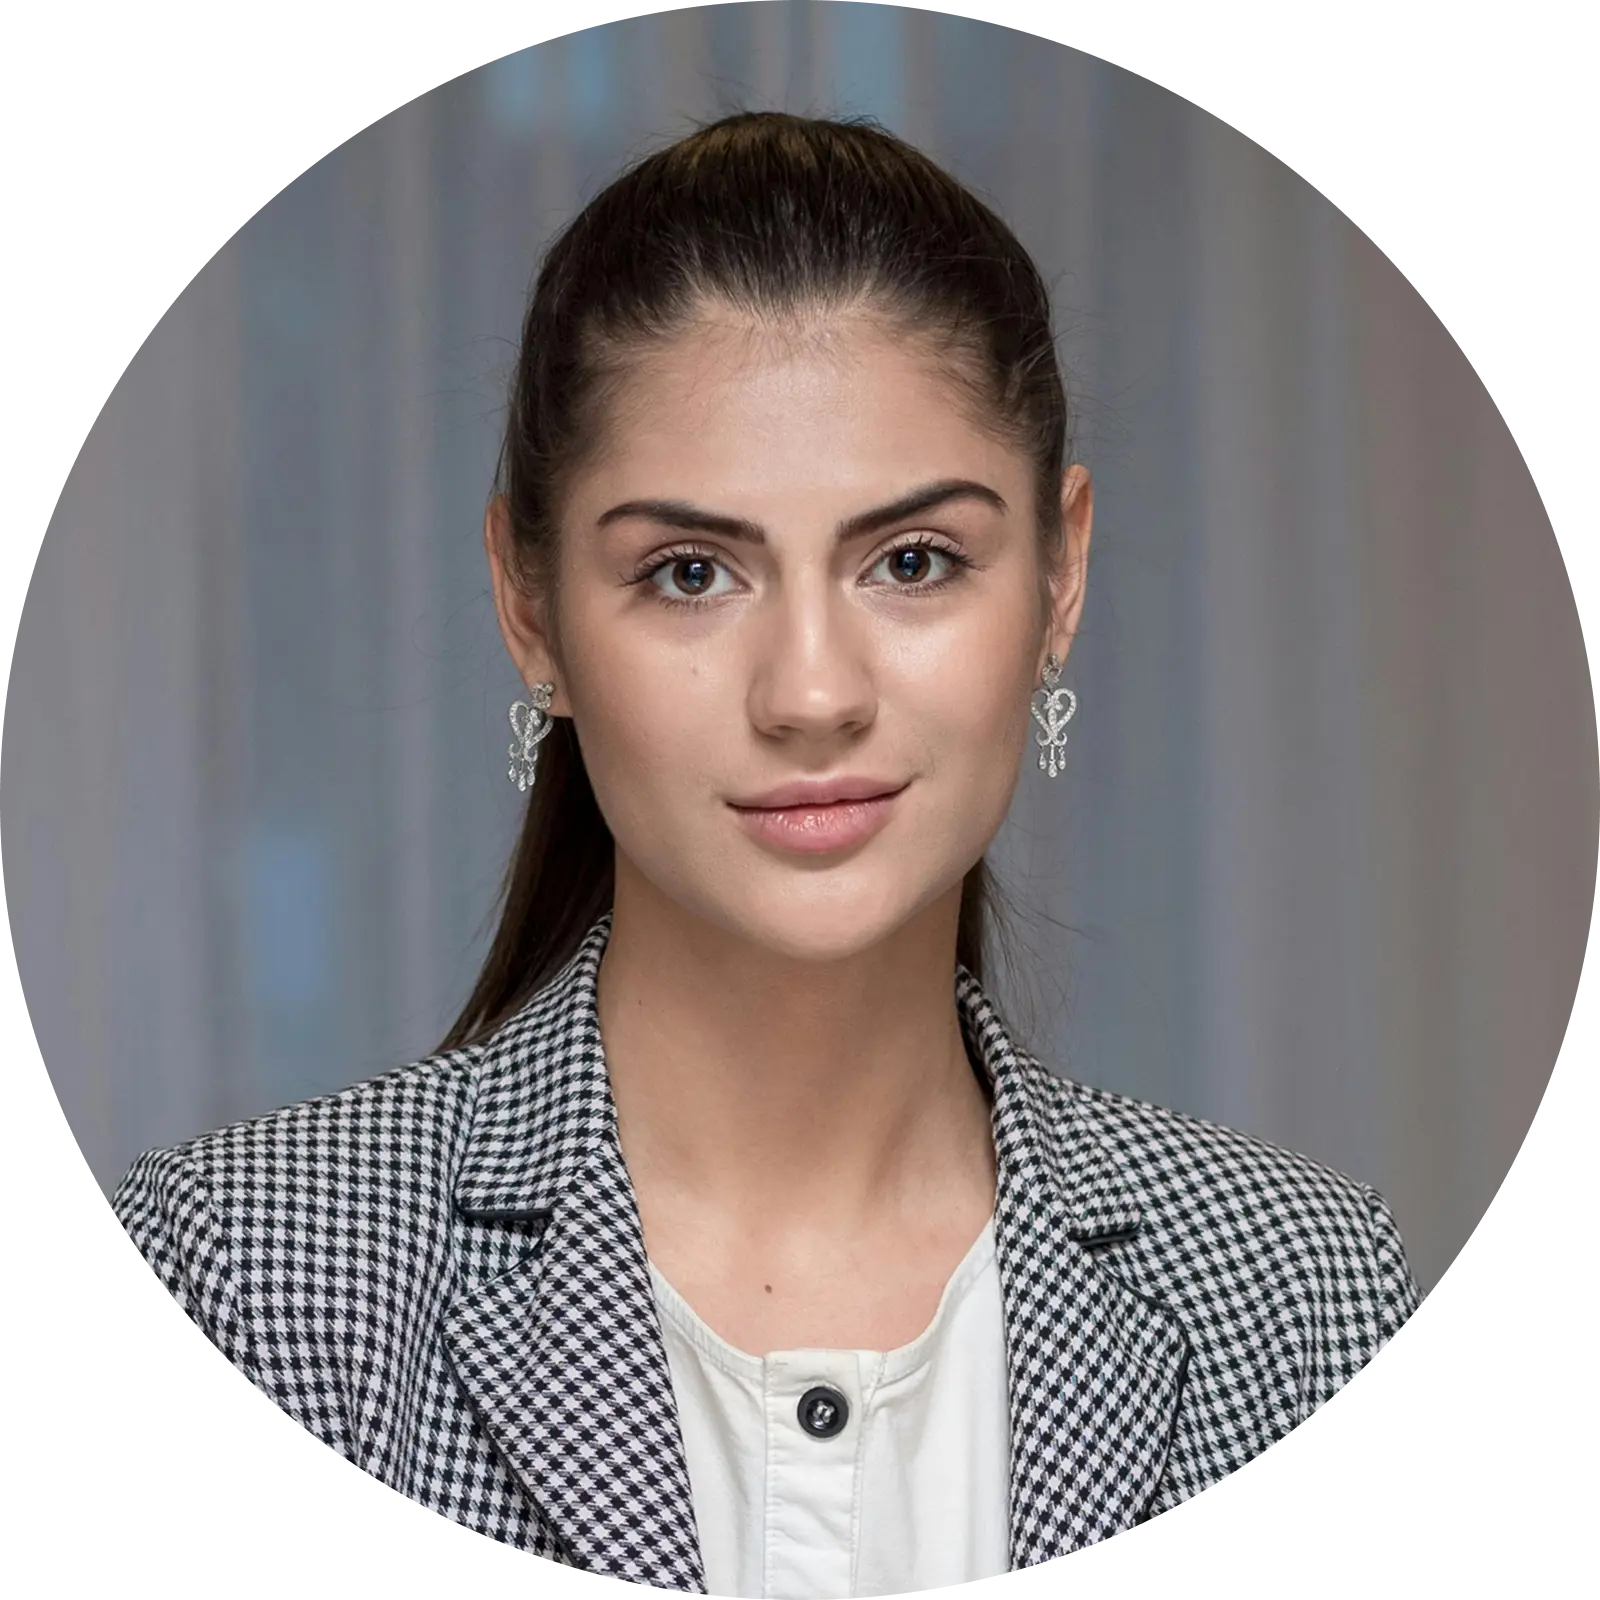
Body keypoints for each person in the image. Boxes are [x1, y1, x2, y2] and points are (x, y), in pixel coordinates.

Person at [110, 110, 1421, 1595]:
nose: (811, 692)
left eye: (914, 562)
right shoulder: (253, 1278)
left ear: (1060, 577)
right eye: (690, 573)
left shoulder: (1295, 1290)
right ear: (528, 605)